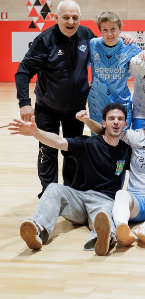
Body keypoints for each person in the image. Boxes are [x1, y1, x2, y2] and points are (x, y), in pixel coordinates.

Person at [9, 103, 132, 255]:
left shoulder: (126, 150)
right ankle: (38, 230)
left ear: (125, 124)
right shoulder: (87, 144)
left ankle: (102, 239)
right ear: (104, 123)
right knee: (54, 188)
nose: (116, 122)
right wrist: (36, 132)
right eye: (111, 118)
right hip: (78, 199)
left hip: (104, 201)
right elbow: (58, 142)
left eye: (120, 119)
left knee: (105, 214)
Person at [15, 0, 96, 195]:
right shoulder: (45, 40)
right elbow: (23, 71)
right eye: (66, 17)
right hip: (47, 107)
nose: (71, 22)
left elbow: (107, 48)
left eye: (75, 17)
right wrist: (24, 103)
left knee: (72, 151)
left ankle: (70, 192)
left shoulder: (87, 35)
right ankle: (49, 193)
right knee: (48, 151)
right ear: (55, 18)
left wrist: (124, 38)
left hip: (76, 110)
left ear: (80, 19)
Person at [77, 108, 145, 247]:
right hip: (136, 204)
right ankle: (122, 229)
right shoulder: (136, 137)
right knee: (121, 194)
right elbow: (106, 132)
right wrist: (87, 120)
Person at [88, 11, 142, 129]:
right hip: (97, 102)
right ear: (100, 31)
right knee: (99, 138)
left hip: (121, 102)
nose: (109, 34)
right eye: (105, 30)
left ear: (120, 29)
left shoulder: (130, 47)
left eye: (113, 29)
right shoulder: (93, 44)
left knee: (121, 137)